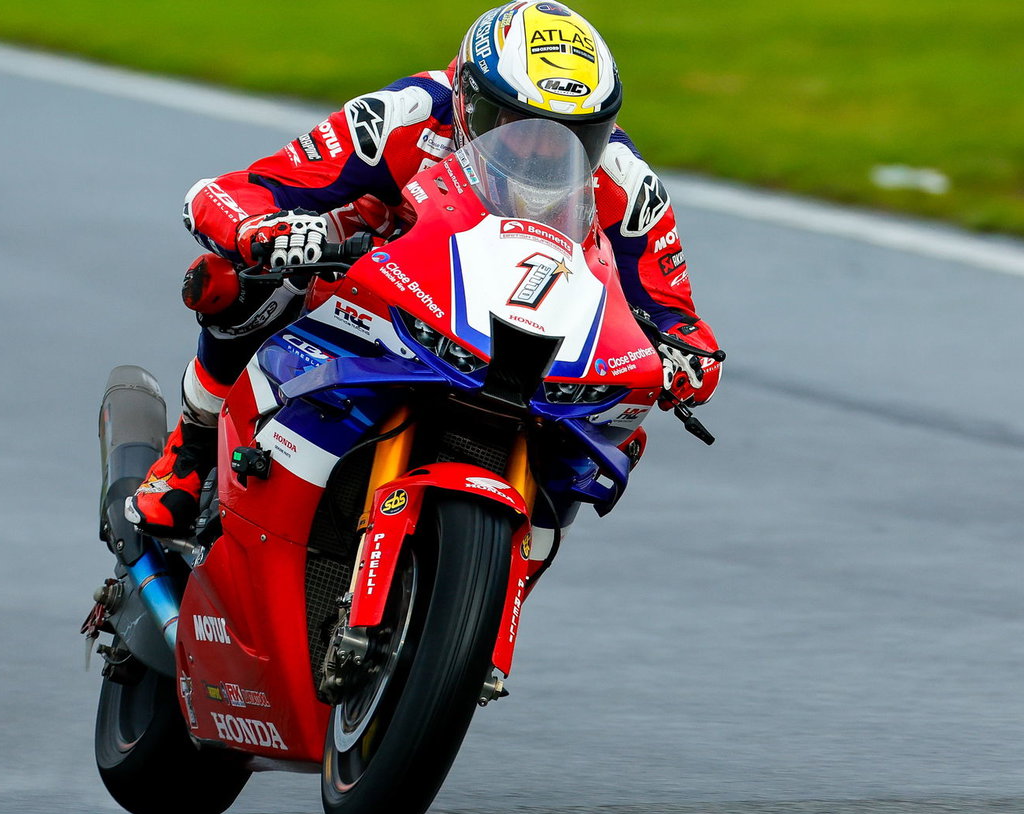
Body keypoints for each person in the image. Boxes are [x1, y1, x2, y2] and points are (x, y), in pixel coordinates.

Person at [127, 0, 724, 536]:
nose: (541, 153)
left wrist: (684, 360)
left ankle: (495, 593)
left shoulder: (622, 180)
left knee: (620, 421)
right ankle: (189, 453)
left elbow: (679, 318)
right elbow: (239, 189)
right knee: (234, 279)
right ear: (468, 99)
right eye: (519, 128)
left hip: (526, 336)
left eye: (570, 137)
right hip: (380, 290)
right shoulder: (406, 115)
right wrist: (263, 232)